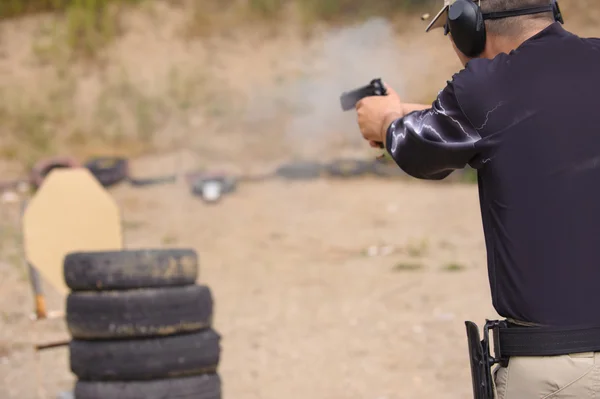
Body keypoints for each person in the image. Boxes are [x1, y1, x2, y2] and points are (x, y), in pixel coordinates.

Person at [354, 0, 600, 398]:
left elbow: (420, 149)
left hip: (559, 372)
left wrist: (384, 120)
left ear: (468, 25)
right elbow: (525, 119)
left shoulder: (484, 86)